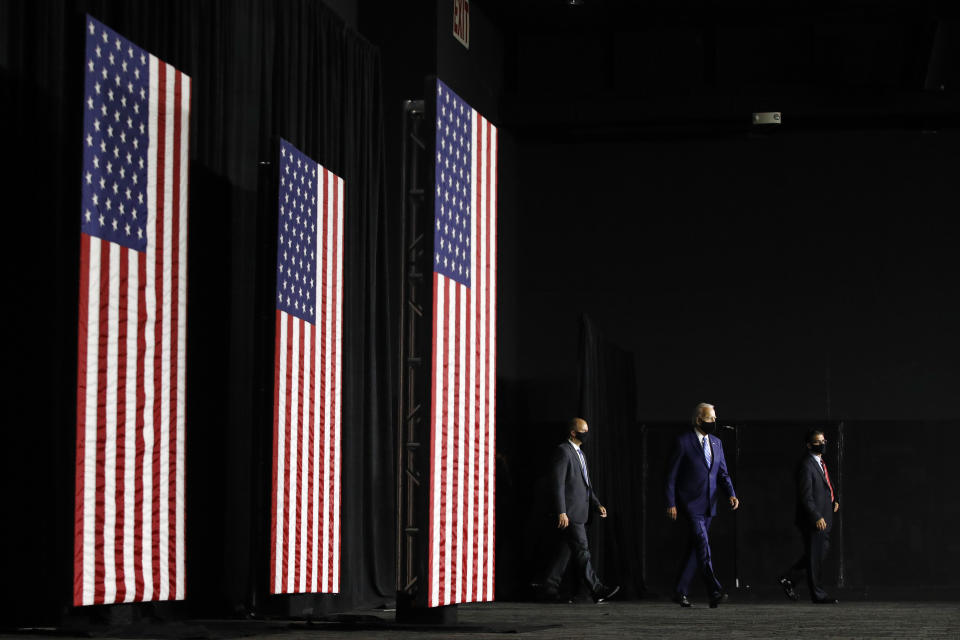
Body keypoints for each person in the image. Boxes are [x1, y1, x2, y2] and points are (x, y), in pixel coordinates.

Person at [534, 417, 619, 604]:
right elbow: (558, 485)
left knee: (565, 552)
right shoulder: (563, 452)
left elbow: (586, 485)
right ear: (573, 432)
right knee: (582, 550)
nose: (587, 433)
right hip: (571, 513)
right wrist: (561, 511)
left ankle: (549, 587)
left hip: (581, 511)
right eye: (584, 430)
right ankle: (597, 589)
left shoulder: (581, 454)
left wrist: (596, 504)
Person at [665, 403, 739, 608]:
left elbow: (722, 473)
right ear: (698, 420)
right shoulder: (683, 442)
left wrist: (731, 494)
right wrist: (671, 502)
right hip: (690, 504)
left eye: (715, 418)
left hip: (710, 505)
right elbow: (671, 476)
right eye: (710, 418)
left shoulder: (716, 443)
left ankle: (680, 592)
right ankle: (714, 590)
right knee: (703, 546)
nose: (714, 422)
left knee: (696, 549)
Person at [777, 429, 841, 604]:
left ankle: (789, 578)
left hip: (826, 516)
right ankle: (818, 594)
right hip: (815, 520)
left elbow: (827, 485)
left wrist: (834, 499)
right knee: (814, 557)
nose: (822, 444)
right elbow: (806, 496)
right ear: (808, 445)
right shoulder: (806, 465)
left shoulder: (821, 463)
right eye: (817, 441)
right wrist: (816, 516)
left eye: (823, 440)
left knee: (819, 554)